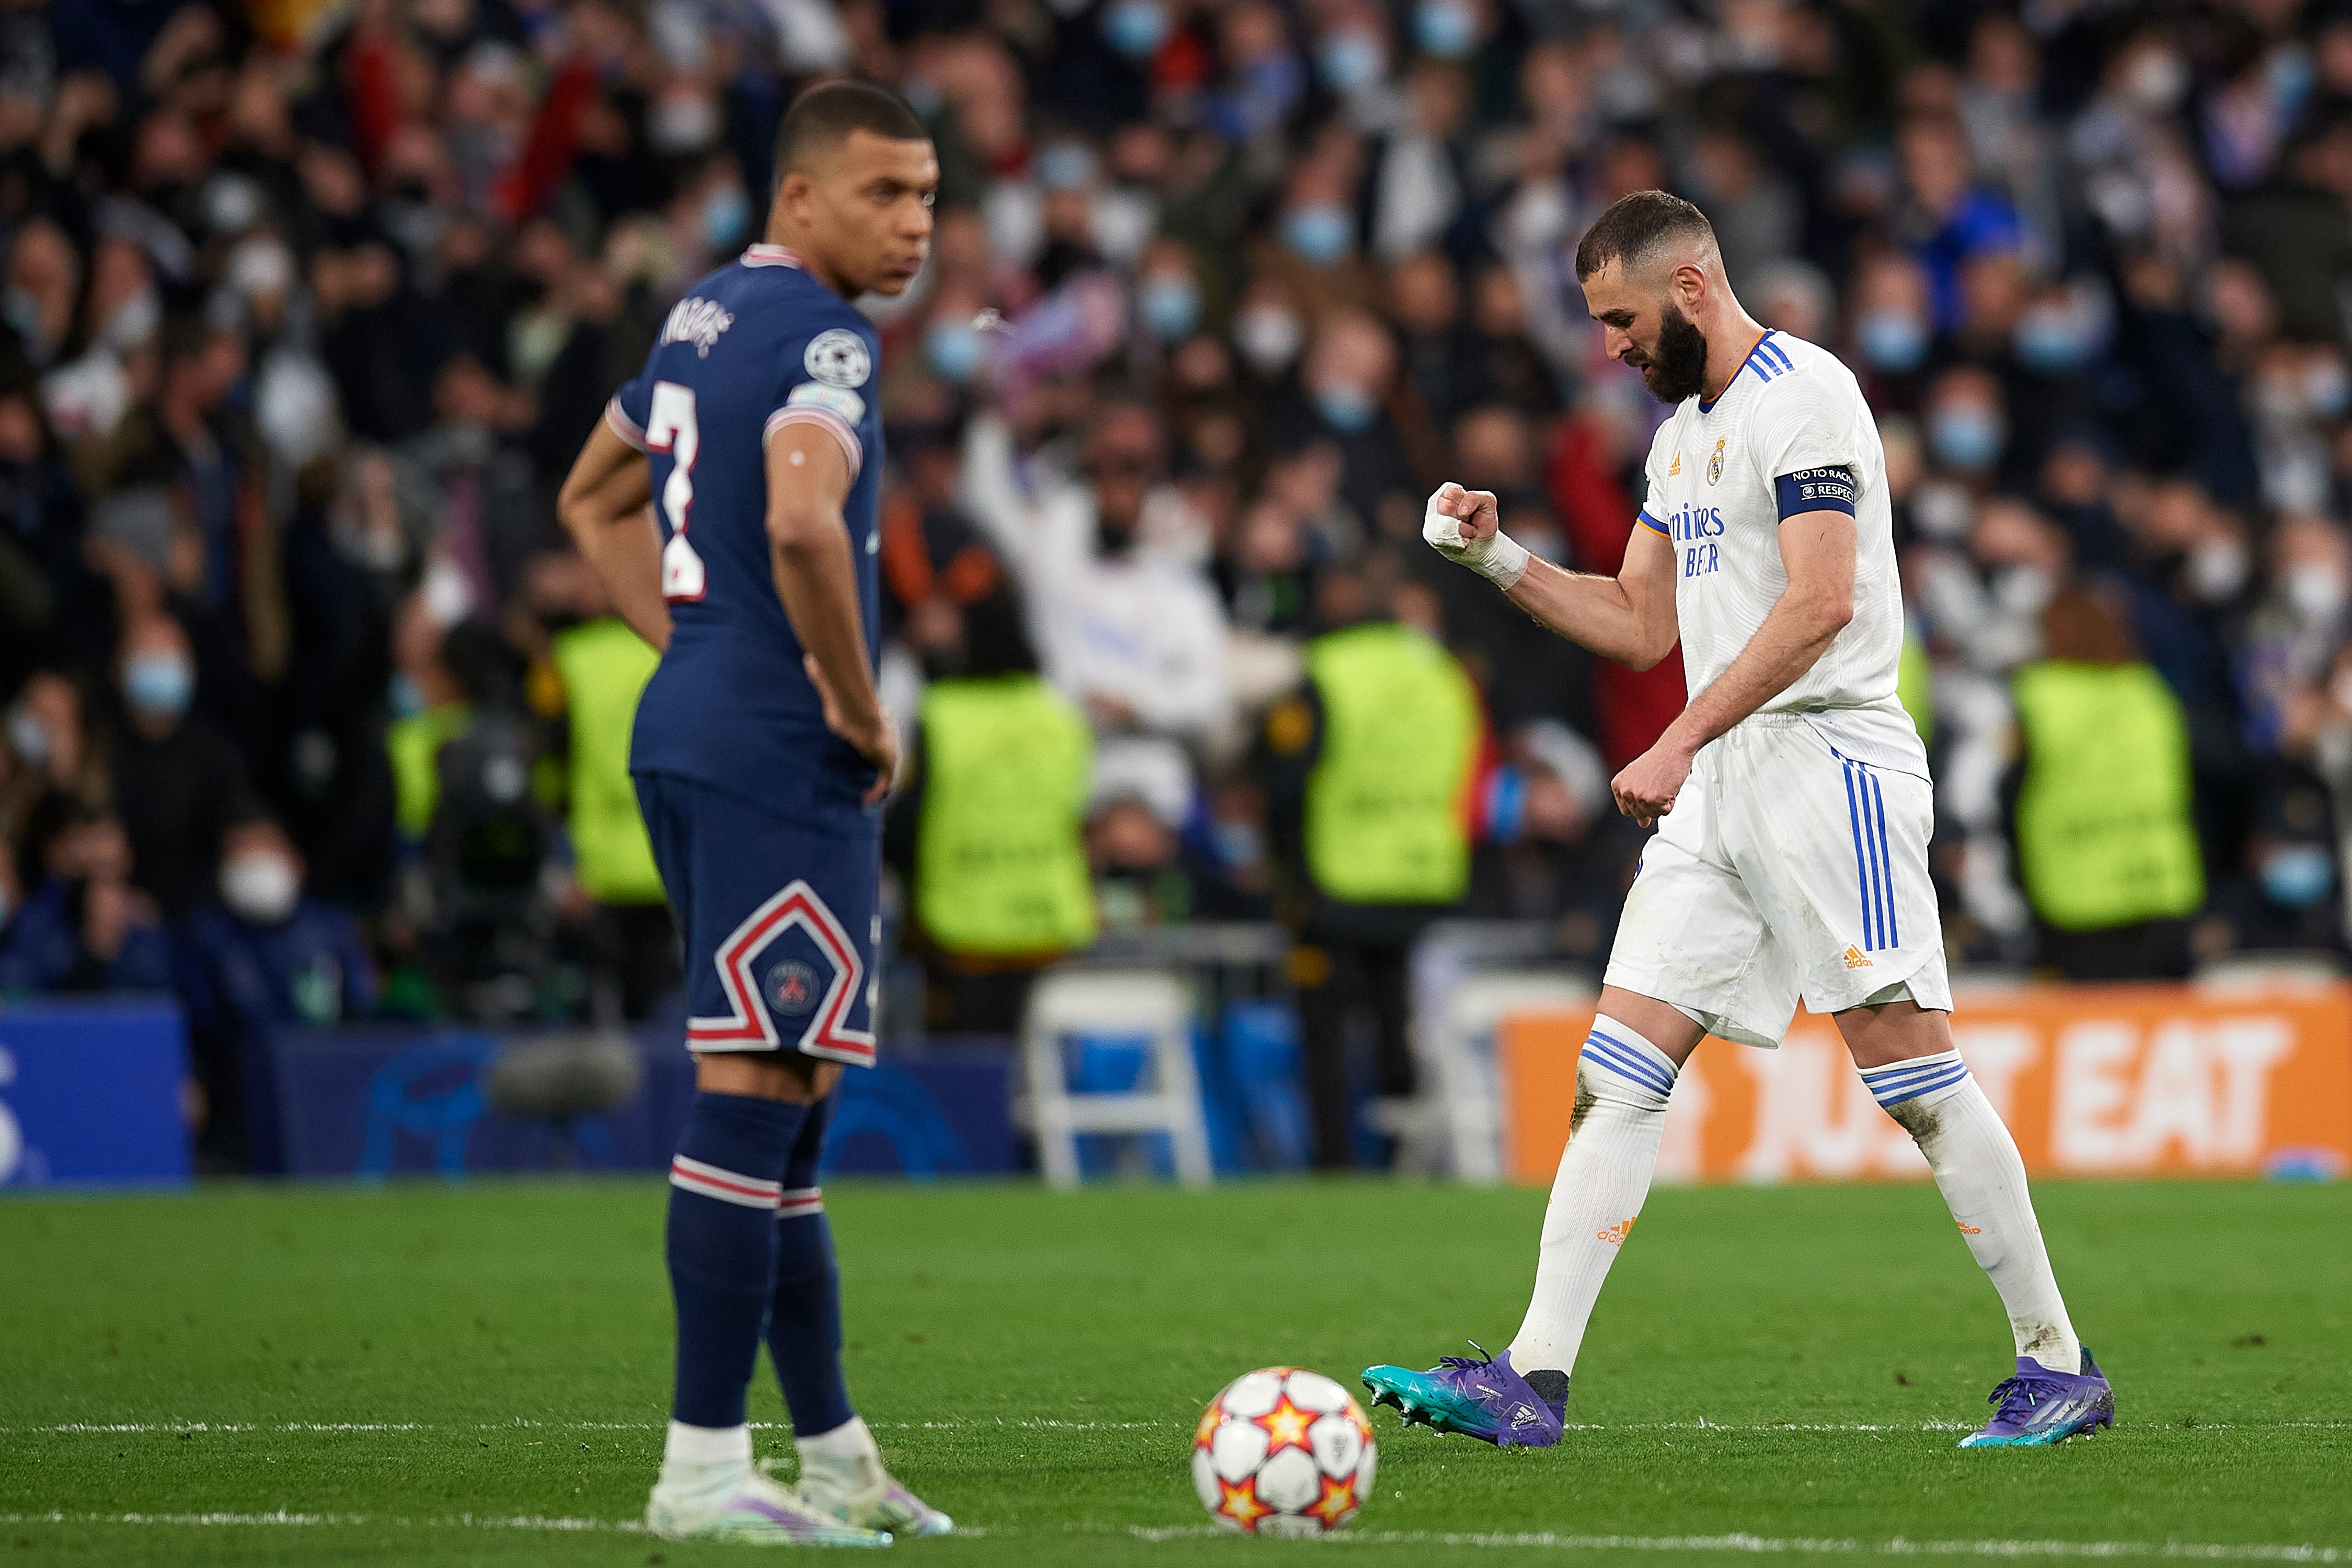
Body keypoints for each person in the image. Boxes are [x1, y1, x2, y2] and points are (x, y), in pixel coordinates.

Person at [1364, 191, 2113, 1450]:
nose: (1608, 346)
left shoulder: (1804, 397)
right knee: (1617, 1074)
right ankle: (1531, 1378)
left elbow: (1820, 604)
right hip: (1725, 783)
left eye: (1619, 319)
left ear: (1693, 289)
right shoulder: (1679, 440)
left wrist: (1677, 736)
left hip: (1832, 764)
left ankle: (2057, 1362)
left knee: (1916, 1081)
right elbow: (1639, 622)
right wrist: (1494, 560)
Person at [555, 82, 951, 1544]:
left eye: (927, 195)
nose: (914, 223)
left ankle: (834, 1451)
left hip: (695, 724)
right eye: (884, 195)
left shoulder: (702, 316)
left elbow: (590, 500)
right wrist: (852, 706)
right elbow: (798, 519)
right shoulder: (829, 340)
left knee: (791, 1098)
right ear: (800, 197)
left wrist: (701, 649)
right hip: (782, 749)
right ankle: (702, 1470)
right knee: (759, 1090)